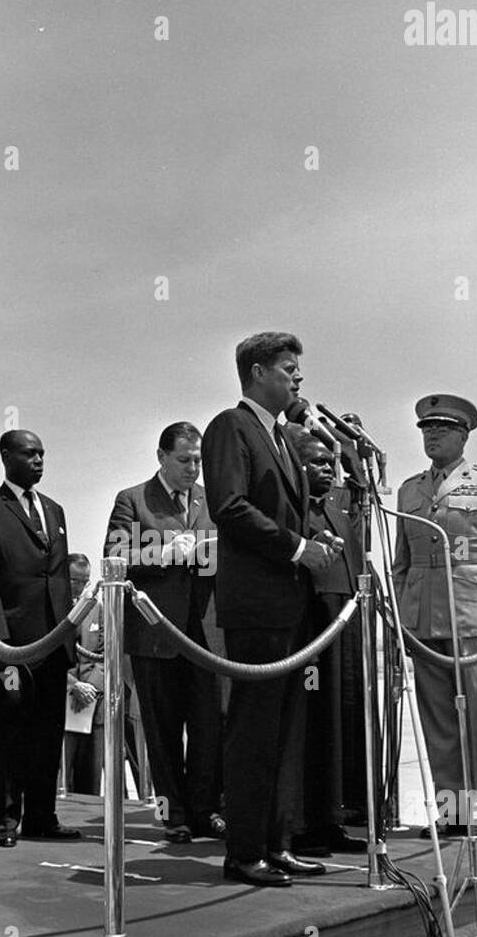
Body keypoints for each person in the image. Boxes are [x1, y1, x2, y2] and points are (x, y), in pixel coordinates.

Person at [202, 332, 335, 888]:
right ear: (257, 373)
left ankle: (278, 843)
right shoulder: (231, 427)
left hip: (289, 602)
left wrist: (318, 541)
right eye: (288, 369)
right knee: (254, 730)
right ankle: (244, 851)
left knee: (285, 731)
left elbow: (283, 507)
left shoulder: (281, 436)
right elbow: (230, 508)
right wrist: (297, 548)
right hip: (257, 605)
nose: (298, 379)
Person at [392, 394, 477, 836]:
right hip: (422, 617)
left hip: (474, 615)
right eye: (427, 429)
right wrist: (399, 617)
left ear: (463, 435)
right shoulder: (410, 490)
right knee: (438, 721)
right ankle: (452, 813)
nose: (432, 435)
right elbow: (401, 562)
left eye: (442, 428)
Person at [105, 422, 224, 844]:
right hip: (155, 634)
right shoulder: (133, 500)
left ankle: (206, 807)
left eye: (198, 460)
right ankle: (172, 814)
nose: (193, 468)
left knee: (209, 725)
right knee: (163, 728)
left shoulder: (211, 500)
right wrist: (166, 554)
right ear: (161, 457)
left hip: (205, 633)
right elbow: (115, 556)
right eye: (184, 460)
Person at [0, 431, 81, 847]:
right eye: (30, 453)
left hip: (53, 641)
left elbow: (59, 578)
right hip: (13, 646)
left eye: (43, 454)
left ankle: (42, 817)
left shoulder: (55, 510)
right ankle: (4, 819)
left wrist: (67, 635)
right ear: (6, 455)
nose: (38, 461)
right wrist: (0, 646)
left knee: (48, 735)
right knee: (7, 735)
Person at [286, 430, 368, 856]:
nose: (326, 469)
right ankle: (301, 824)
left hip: (341, 633)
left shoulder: (335, 511)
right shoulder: (293, 513)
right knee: (308, 730)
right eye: (316, 462)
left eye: (328, 462)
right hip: (308, 633)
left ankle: (330, 819)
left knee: (336, 728)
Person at [63, 555, 105, 794]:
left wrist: (90, 688)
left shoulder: (97, 609)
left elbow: (104, 652)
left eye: (84, 581)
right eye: (74, 580)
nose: (79, 587)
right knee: (62, 772)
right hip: (64, 697)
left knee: (91, 774)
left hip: (92, 701)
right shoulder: (53, 607)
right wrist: (73, 686)